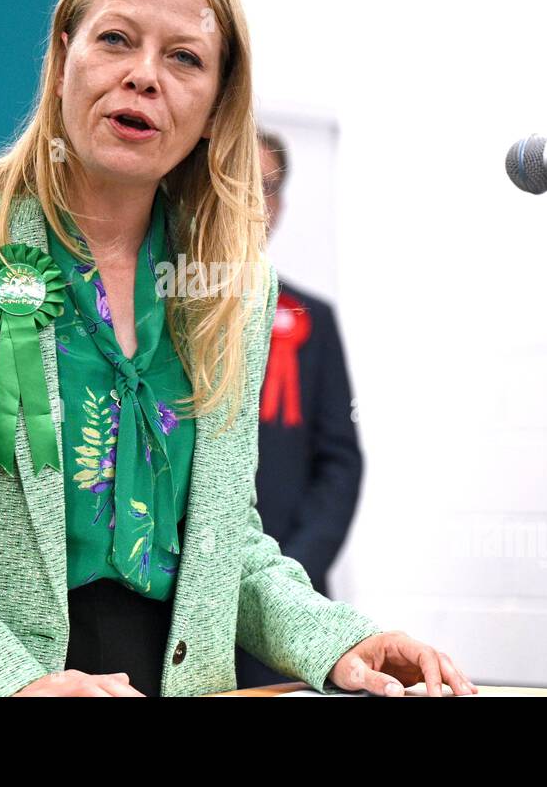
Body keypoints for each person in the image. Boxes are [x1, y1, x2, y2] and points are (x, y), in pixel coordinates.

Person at [0, 0, 474, 697]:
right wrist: (11, 684)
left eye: (185, 59)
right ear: (61, 58)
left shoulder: (234, 289)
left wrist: (344, 640)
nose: (143, 78)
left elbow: (228, 547)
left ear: (218, 106)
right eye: (116, 39)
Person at [235, 129, 363, 688]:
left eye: (265, 188)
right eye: (237, 183)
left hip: (291, 596)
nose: (251, 202)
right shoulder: (155, 308)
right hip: (184, 599)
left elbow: (340, 461)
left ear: (279, 206)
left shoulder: (312, 318)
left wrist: (292, 575)